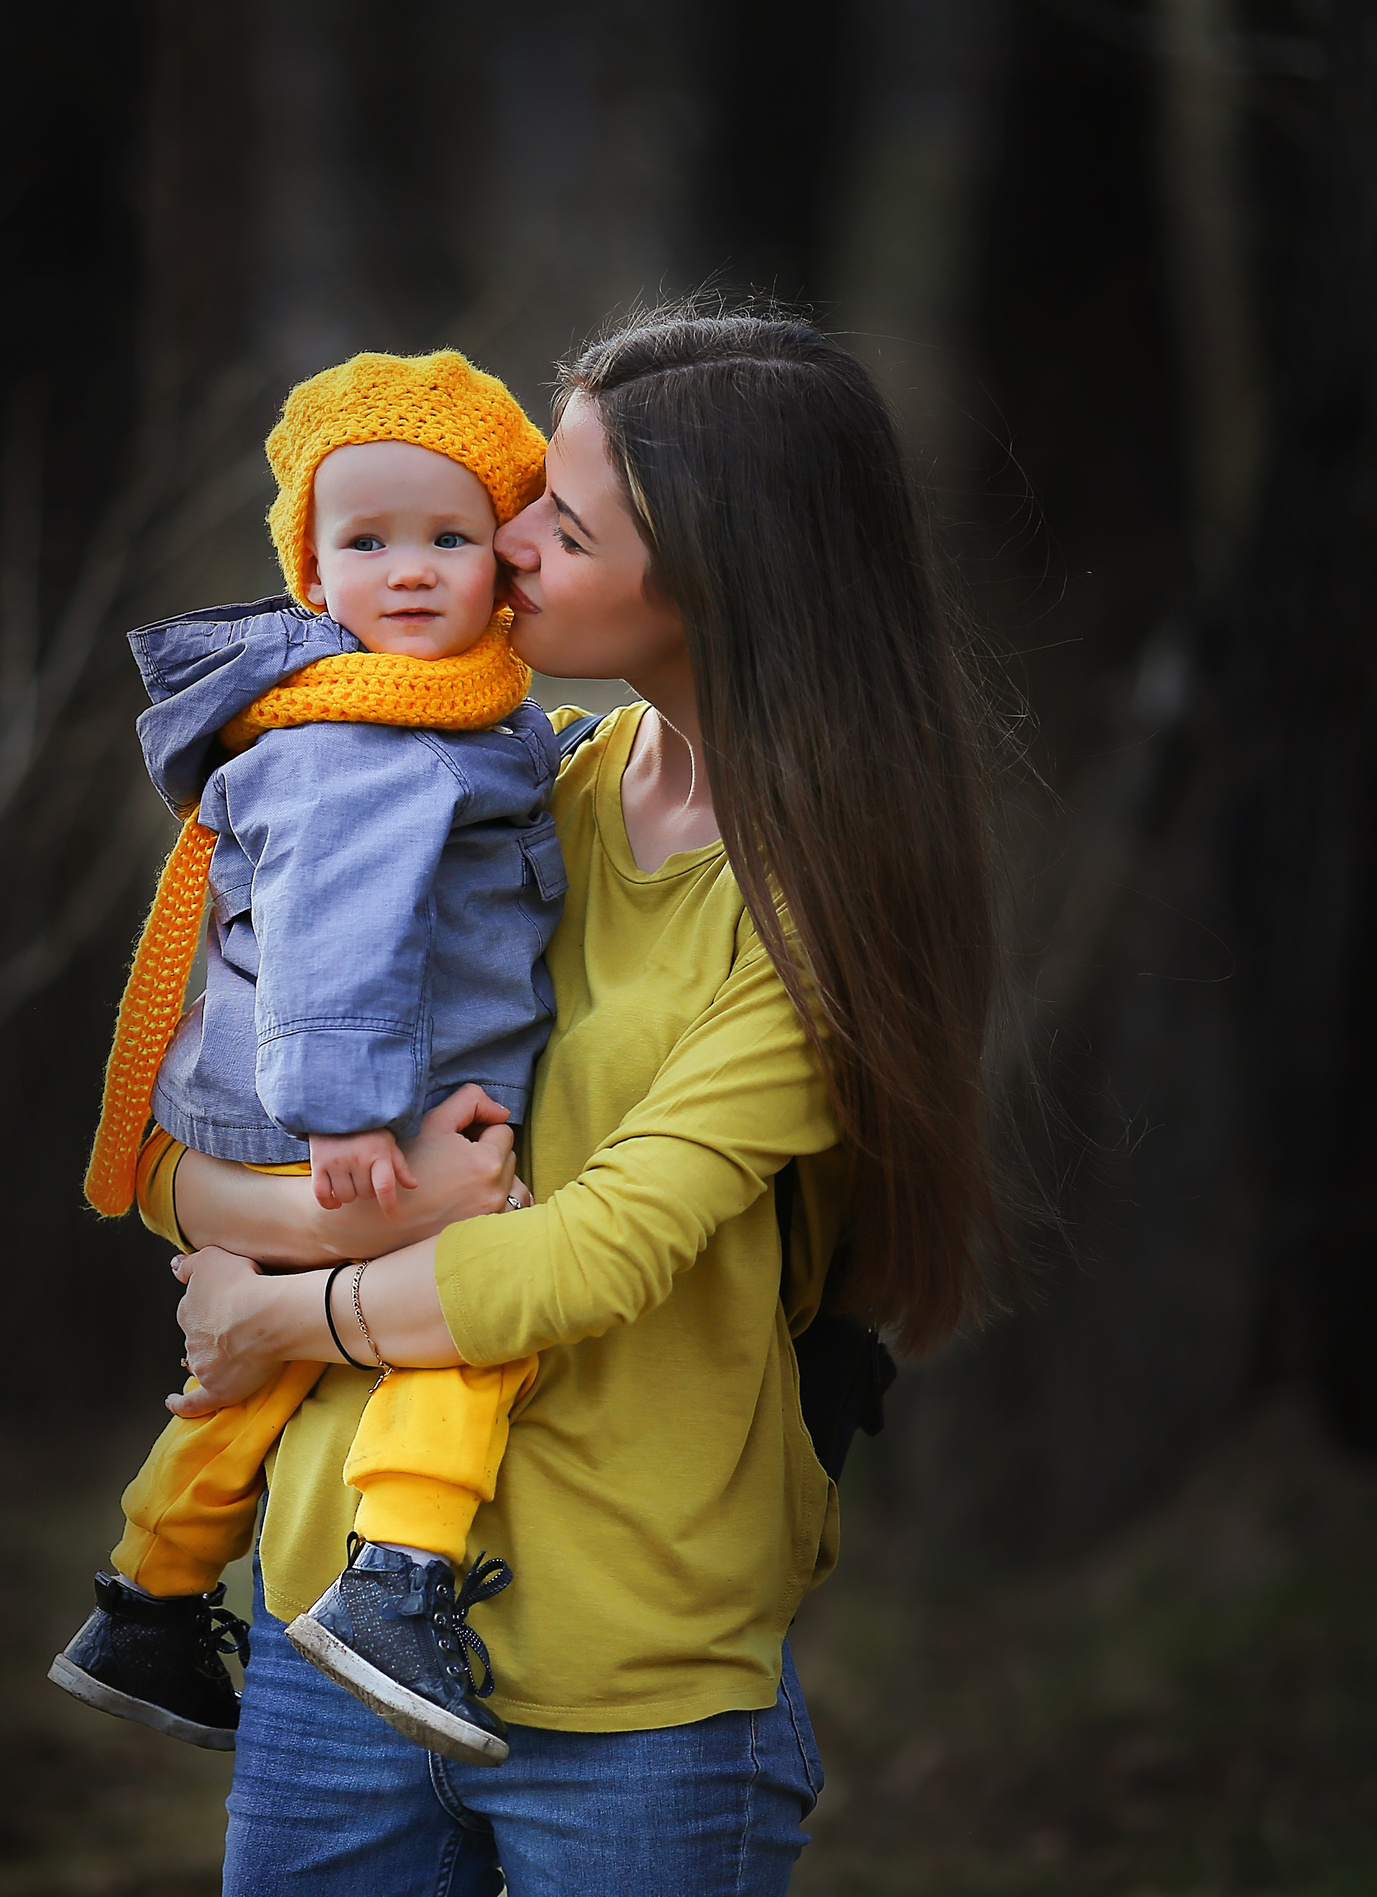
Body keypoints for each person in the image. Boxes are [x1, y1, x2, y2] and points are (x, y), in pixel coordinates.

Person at [148, 310, 1002, 1895]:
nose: (503, 539)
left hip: (633, 1686)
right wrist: (274, 1221)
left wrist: (283, 1310)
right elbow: (171, 1151)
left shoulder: (820, 917)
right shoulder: (510, 785)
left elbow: (588, 1261)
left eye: (565, 520)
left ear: (718, 583)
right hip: (333, 1621)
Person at [50, 350, 571, 1768]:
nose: (409, 571)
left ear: (503, 559)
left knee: (257, 1365)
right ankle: (402, 1575)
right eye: (368, 541)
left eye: (449, 538)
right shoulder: (373, 738)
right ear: (310, 568)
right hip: (358, 1108)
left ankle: (147, 1595)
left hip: (296, 1108)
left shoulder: (437, 711)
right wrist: (347, 1118)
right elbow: (337, 935)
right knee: (465, 1317)